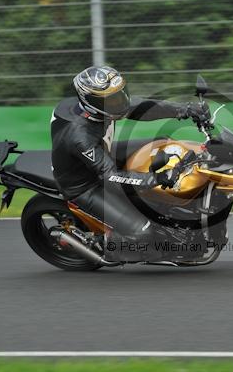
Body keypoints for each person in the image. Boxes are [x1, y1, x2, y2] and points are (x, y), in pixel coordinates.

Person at [50, 66, 209, 260]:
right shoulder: (80, 137)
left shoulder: (101, 108)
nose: (121, 102)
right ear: (91, 102)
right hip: (86, 185)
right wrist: (154, 178)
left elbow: (142, 108)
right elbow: (110, 176)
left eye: (121, 94)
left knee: (164, 144)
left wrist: (185, 109)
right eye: (113, 99)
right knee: (143, 232)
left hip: (102, 152)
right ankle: (107, 245)